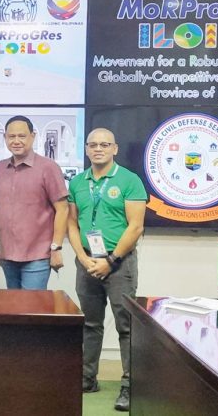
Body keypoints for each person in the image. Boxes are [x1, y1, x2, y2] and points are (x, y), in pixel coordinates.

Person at [67, 128, 146, 412]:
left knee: (126, 326)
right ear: (86, 149)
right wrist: (82, 257)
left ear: (115, 149)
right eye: (92, 145)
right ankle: (88, 378)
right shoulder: (77, 182)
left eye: (104, 144)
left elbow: (136, 226)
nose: (98, 149)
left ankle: (129, 384)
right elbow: (71, 224)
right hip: (87, 262)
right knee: (89, 323)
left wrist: (110, 260)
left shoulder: (129, 180)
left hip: (119, 264)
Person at [0, 115, 69, 290]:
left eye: (22, 136)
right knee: (15, 311)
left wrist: (56, 248)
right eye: (11, 136)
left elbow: (62, 209)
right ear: (5, 138)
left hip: (38, 255)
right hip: (7, 255)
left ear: (32, 136)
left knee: (33, 310)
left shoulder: (48, 167)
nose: (16, 141)